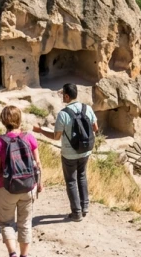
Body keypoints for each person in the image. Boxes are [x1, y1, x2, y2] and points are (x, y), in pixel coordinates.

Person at [34, 83, 98, 221]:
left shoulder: (63, 114)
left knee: (71, 181)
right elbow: (95, 127)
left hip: (69, 153)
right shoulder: (87, 108)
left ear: (67, 96)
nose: (62, 97)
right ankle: (84, 206)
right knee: (82, 176)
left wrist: (40, 131)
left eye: (63, 94)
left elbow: (56, 137)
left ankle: (76, 213)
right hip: (86, 150)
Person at [0, 105, 41, 257]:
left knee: (6, 223)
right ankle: (24, 256)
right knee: (25, 223)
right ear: (19, 119)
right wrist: (40, 183)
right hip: (28, 186)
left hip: (6, 187)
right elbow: (38, 163)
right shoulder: (29, 138)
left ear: (3, 121)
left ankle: (13, 254)